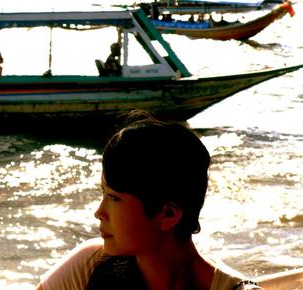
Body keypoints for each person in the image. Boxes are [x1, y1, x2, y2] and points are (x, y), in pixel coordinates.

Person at [36, 109, 263, 290]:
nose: (99, 212)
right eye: (102, 192)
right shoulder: (90, 265)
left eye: (114, 198)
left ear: (168, 214)